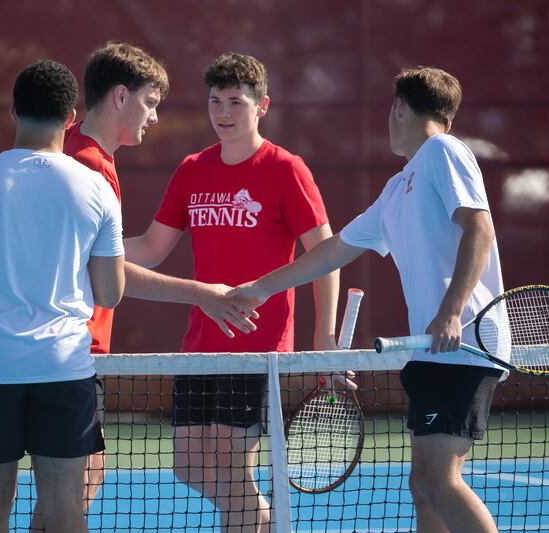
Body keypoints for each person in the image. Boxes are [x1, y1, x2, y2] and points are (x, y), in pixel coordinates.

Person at [229, 66, 504, 532]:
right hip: (431, 351)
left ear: (398, 107)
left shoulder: (442, 150)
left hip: (463, 342)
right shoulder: (397, 189)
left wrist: (452, 311)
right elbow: (333, 251)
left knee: (438, 480)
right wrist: (259, 288)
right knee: (424, 486)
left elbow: (479, 226)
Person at [29, 42, 258, 533]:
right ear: (119, 97)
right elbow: (107, 277)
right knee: (71, 499)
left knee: (58, 499)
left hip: (43, 350)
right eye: (150, 102)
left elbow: (93, 257)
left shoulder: (62, 147)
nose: (154, 116)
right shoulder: (91, 167)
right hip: (71, 353)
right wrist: (204, 294)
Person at [124, 52, 340, 533]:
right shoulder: (191, 170)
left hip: (256, 347)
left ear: (262, 106)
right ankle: (262, 521)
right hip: (200, 345)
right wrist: (87, 250)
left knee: (230, 466)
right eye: (215, 101)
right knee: (187, 464)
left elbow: (325, 257)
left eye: (235, 102)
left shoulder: (287, 169)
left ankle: (256, 522)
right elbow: (151, 247)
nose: (223, 112)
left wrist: (324, 336)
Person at [0, 59, 125, 533]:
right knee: (64, 512)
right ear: (71, 117)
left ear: (12, 111)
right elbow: (110, 293)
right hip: (64, 370)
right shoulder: (97, 188)